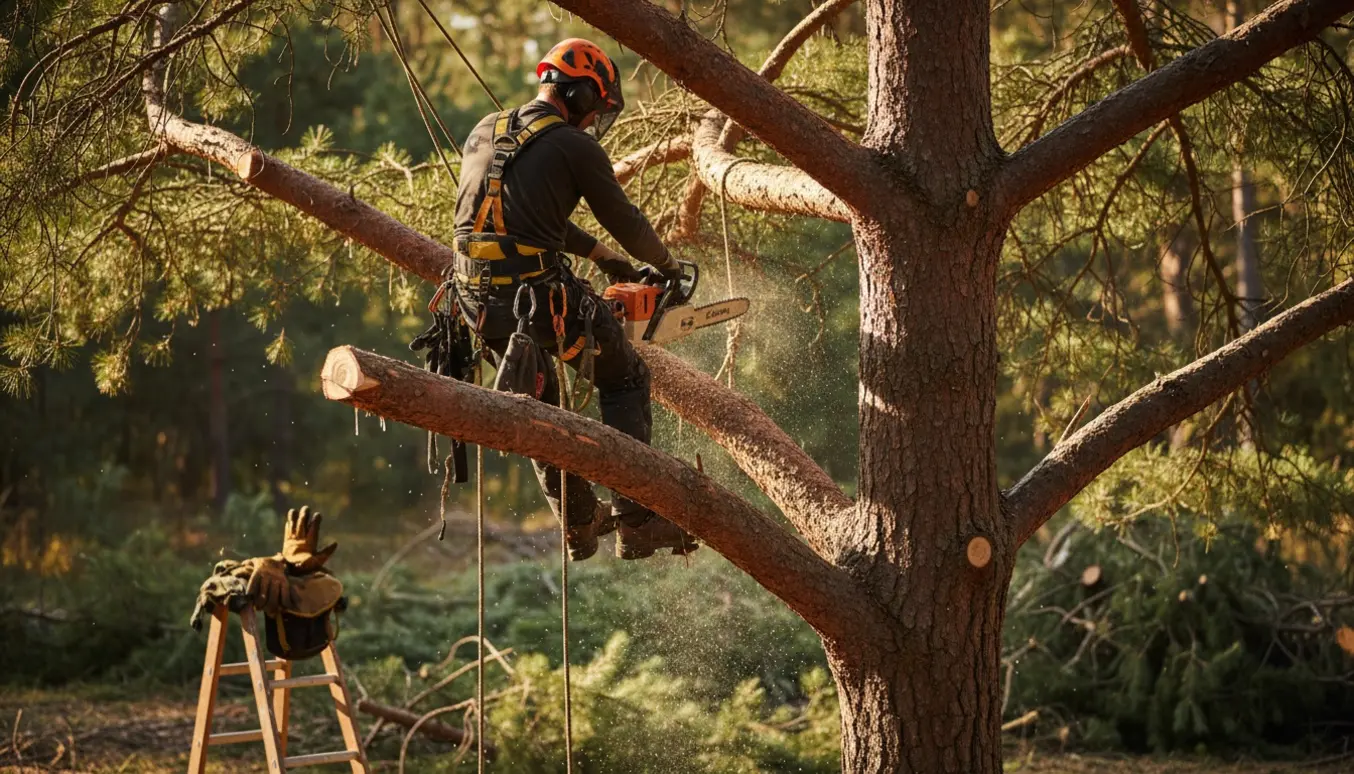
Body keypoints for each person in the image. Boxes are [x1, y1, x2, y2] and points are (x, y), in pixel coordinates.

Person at [451, 38, 697, 562]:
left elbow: (520, 217)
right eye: (595, 107)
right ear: (581, 93)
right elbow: (626, 220)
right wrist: (668, 266)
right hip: (534, 296)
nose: (592, 121)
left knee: (538, 404)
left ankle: (579, 522)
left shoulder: (486, 128)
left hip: (476, 300)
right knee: (626, 378)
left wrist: (603, 257)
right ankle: (637, 519)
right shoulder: (573, 146)